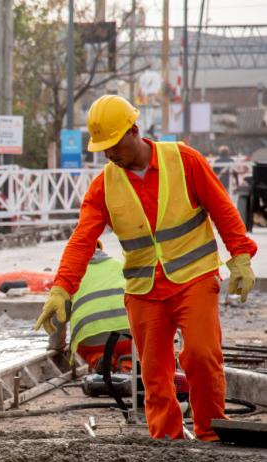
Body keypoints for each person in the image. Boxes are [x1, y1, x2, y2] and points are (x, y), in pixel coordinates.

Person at [35, 95, 257, 441]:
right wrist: (62, 288)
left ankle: (211, 432)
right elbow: (82, 240)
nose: (108, 154)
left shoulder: (184, 161)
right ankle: (167, 439)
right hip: (143, 290)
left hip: (194, 278)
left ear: (134, 130)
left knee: (201, 356)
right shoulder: (104, 187)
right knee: (153, 371)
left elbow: (223, 209)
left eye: (113, 144)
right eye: (102, 147)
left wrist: (240, 256)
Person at [49, 241, 133, 373]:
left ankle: (99, 358)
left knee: (83, 343)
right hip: (129, 335)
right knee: (130, 348)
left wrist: (56, 346)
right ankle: (128, 363)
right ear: (101, 250)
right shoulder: (120, 266)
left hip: (92, 340)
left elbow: (58, 317)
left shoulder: (68, 277)